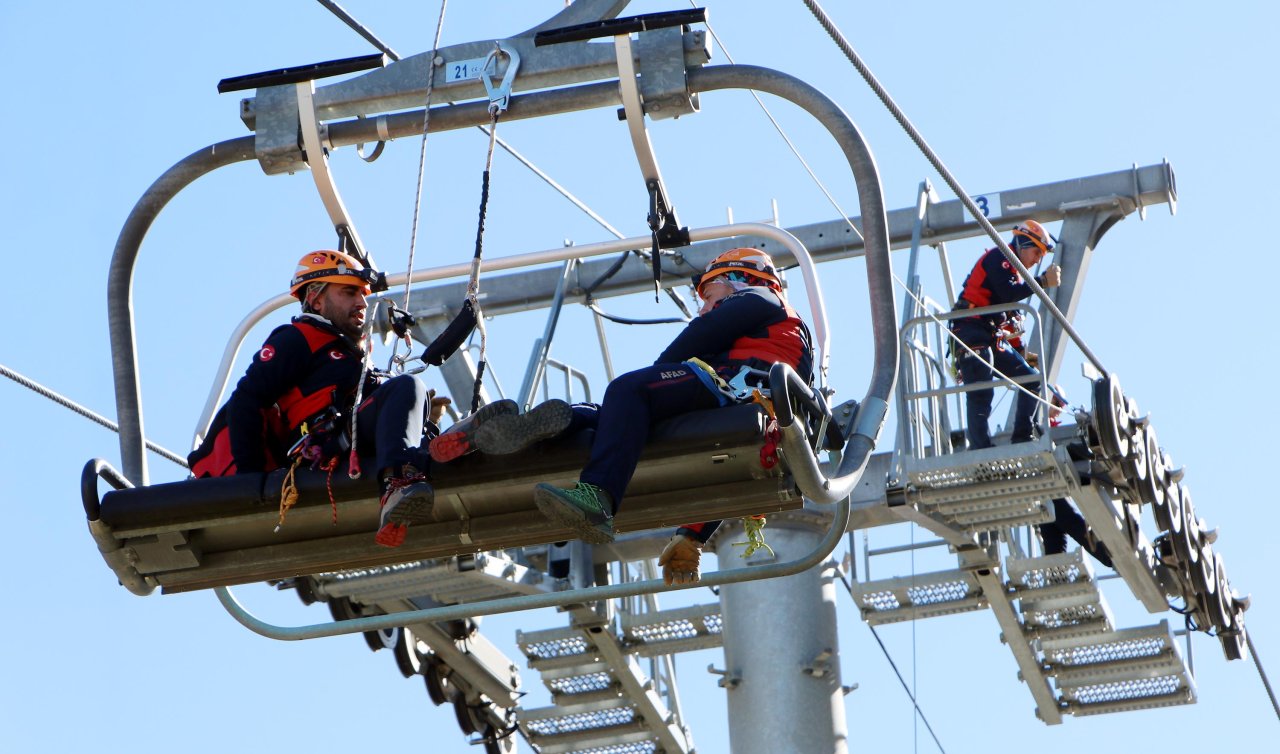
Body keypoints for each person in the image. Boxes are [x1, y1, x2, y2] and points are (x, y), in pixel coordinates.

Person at [530, 248, 814, 585]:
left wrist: (656, 376)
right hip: (740, 399)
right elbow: (727, 480)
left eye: (709, 294)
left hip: (733, 390)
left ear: (740, 279)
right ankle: (560, 423)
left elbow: (700, 336)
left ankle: (596, 496)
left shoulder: (762, 297)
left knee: (630, 391)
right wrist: (691, 537)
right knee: (618, 414)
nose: (703, 307)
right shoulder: (784, 331)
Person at [187, 250, 472, 548]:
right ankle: (397, 483)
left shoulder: (351, 353)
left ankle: (463, 444)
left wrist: (419, 416)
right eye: (349, 292)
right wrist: (250, 481)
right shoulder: (296, 339)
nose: (362, 302)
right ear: (316, 298)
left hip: (353, 442)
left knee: (415, 403)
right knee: (406, 387)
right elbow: (247, 400)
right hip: (323, 451)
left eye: (362, 294)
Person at [950, 220, 1061, 449]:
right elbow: (1007, 294)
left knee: (1030, 379)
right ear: (1022, 243)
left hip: (990, 334)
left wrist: (1024, 356)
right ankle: (980, 448)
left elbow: (1010, 319)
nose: (1038, 259)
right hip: (970, 328)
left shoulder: (1015, 274)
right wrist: (1042, 282)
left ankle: (1022, 435)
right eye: (1036, 252)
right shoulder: (999, 258)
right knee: (981, 385)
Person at [1038, 387, 1113, 567]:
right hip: (1046, 489)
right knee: (1069, 523)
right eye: (1057, 403)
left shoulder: (1049, 430)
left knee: (1054, 535)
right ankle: (1108, 556)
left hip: (1049, 489)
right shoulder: (1037, 427)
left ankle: (1058, 578)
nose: (1059, 410)